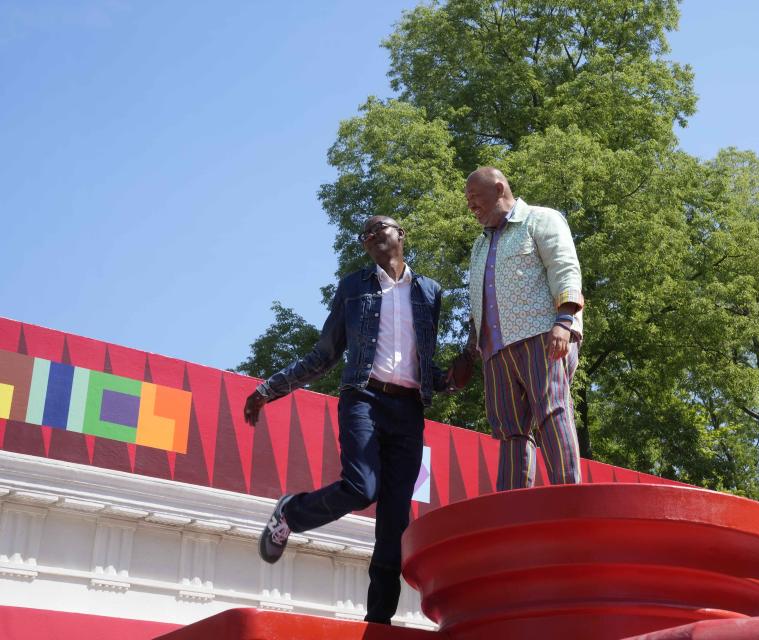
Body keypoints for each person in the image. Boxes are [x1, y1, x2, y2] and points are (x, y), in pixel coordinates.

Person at [242, 215, 451, 625]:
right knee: (362, 486)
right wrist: (270, 389)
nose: (372, 238)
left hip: (409, 410)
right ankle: (291, 514)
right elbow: (324, 354)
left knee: (395, 520)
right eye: (365, 235)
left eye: (380, 229)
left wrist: (453, 377)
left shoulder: (429, 292)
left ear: (401, 234)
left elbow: (426, 366)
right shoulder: (354, 288)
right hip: (364, 398)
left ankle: (379, 622)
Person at [455, 166, 584, 491]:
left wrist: (564, 321)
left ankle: (569, 496)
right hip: (496, 352)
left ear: (499, 189)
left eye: (475, 198)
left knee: (551, 408)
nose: (471, 206)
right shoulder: (478, 246)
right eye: (468, 201)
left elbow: (565, 267)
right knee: (510, 429)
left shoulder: (541, 219)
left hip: (543, 334)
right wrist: (473, 349)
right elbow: (478, 298)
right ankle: (513, 507)